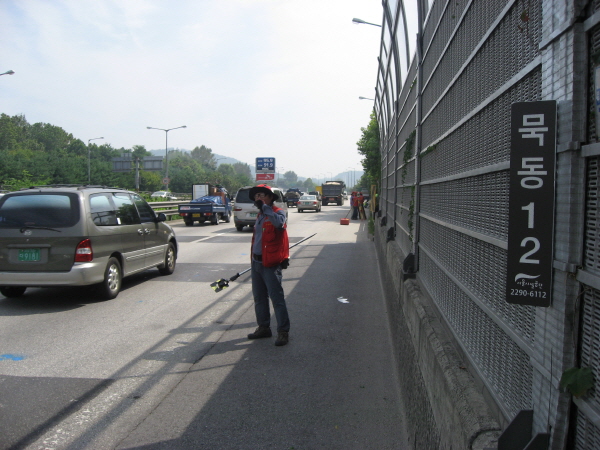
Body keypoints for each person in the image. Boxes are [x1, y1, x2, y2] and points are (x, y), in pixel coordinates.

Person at [247, 184, 291, 346]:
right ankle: (264, 327)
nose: (259, 198)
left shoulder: (278, 213)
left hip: (271, 263)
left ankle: (283, 331)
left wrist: (266, 209)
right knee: (259, 298)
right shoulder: (260, 216)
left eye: (262, 195)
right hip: (257, 262)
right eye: (256, 196)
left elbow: (279, 225)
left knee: (276, 298)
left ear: (271, 197)